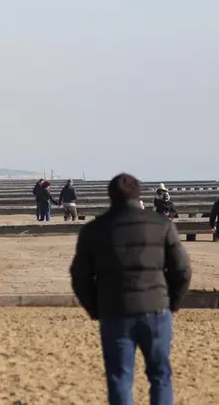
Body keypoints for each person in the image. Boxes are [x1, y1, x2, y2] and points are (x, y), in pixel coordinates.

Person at [70, 173, 192, 405]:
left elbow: (79, 277)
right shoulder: (162, 225)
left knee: (120, 378)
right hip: (156, 309)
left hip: (114, 311)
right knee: (160, 376)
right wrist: (172, 303)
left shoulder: (94, 230)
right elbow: (182, 270)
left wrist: (95, 308)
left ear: (111, 196)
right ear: (138, 195)